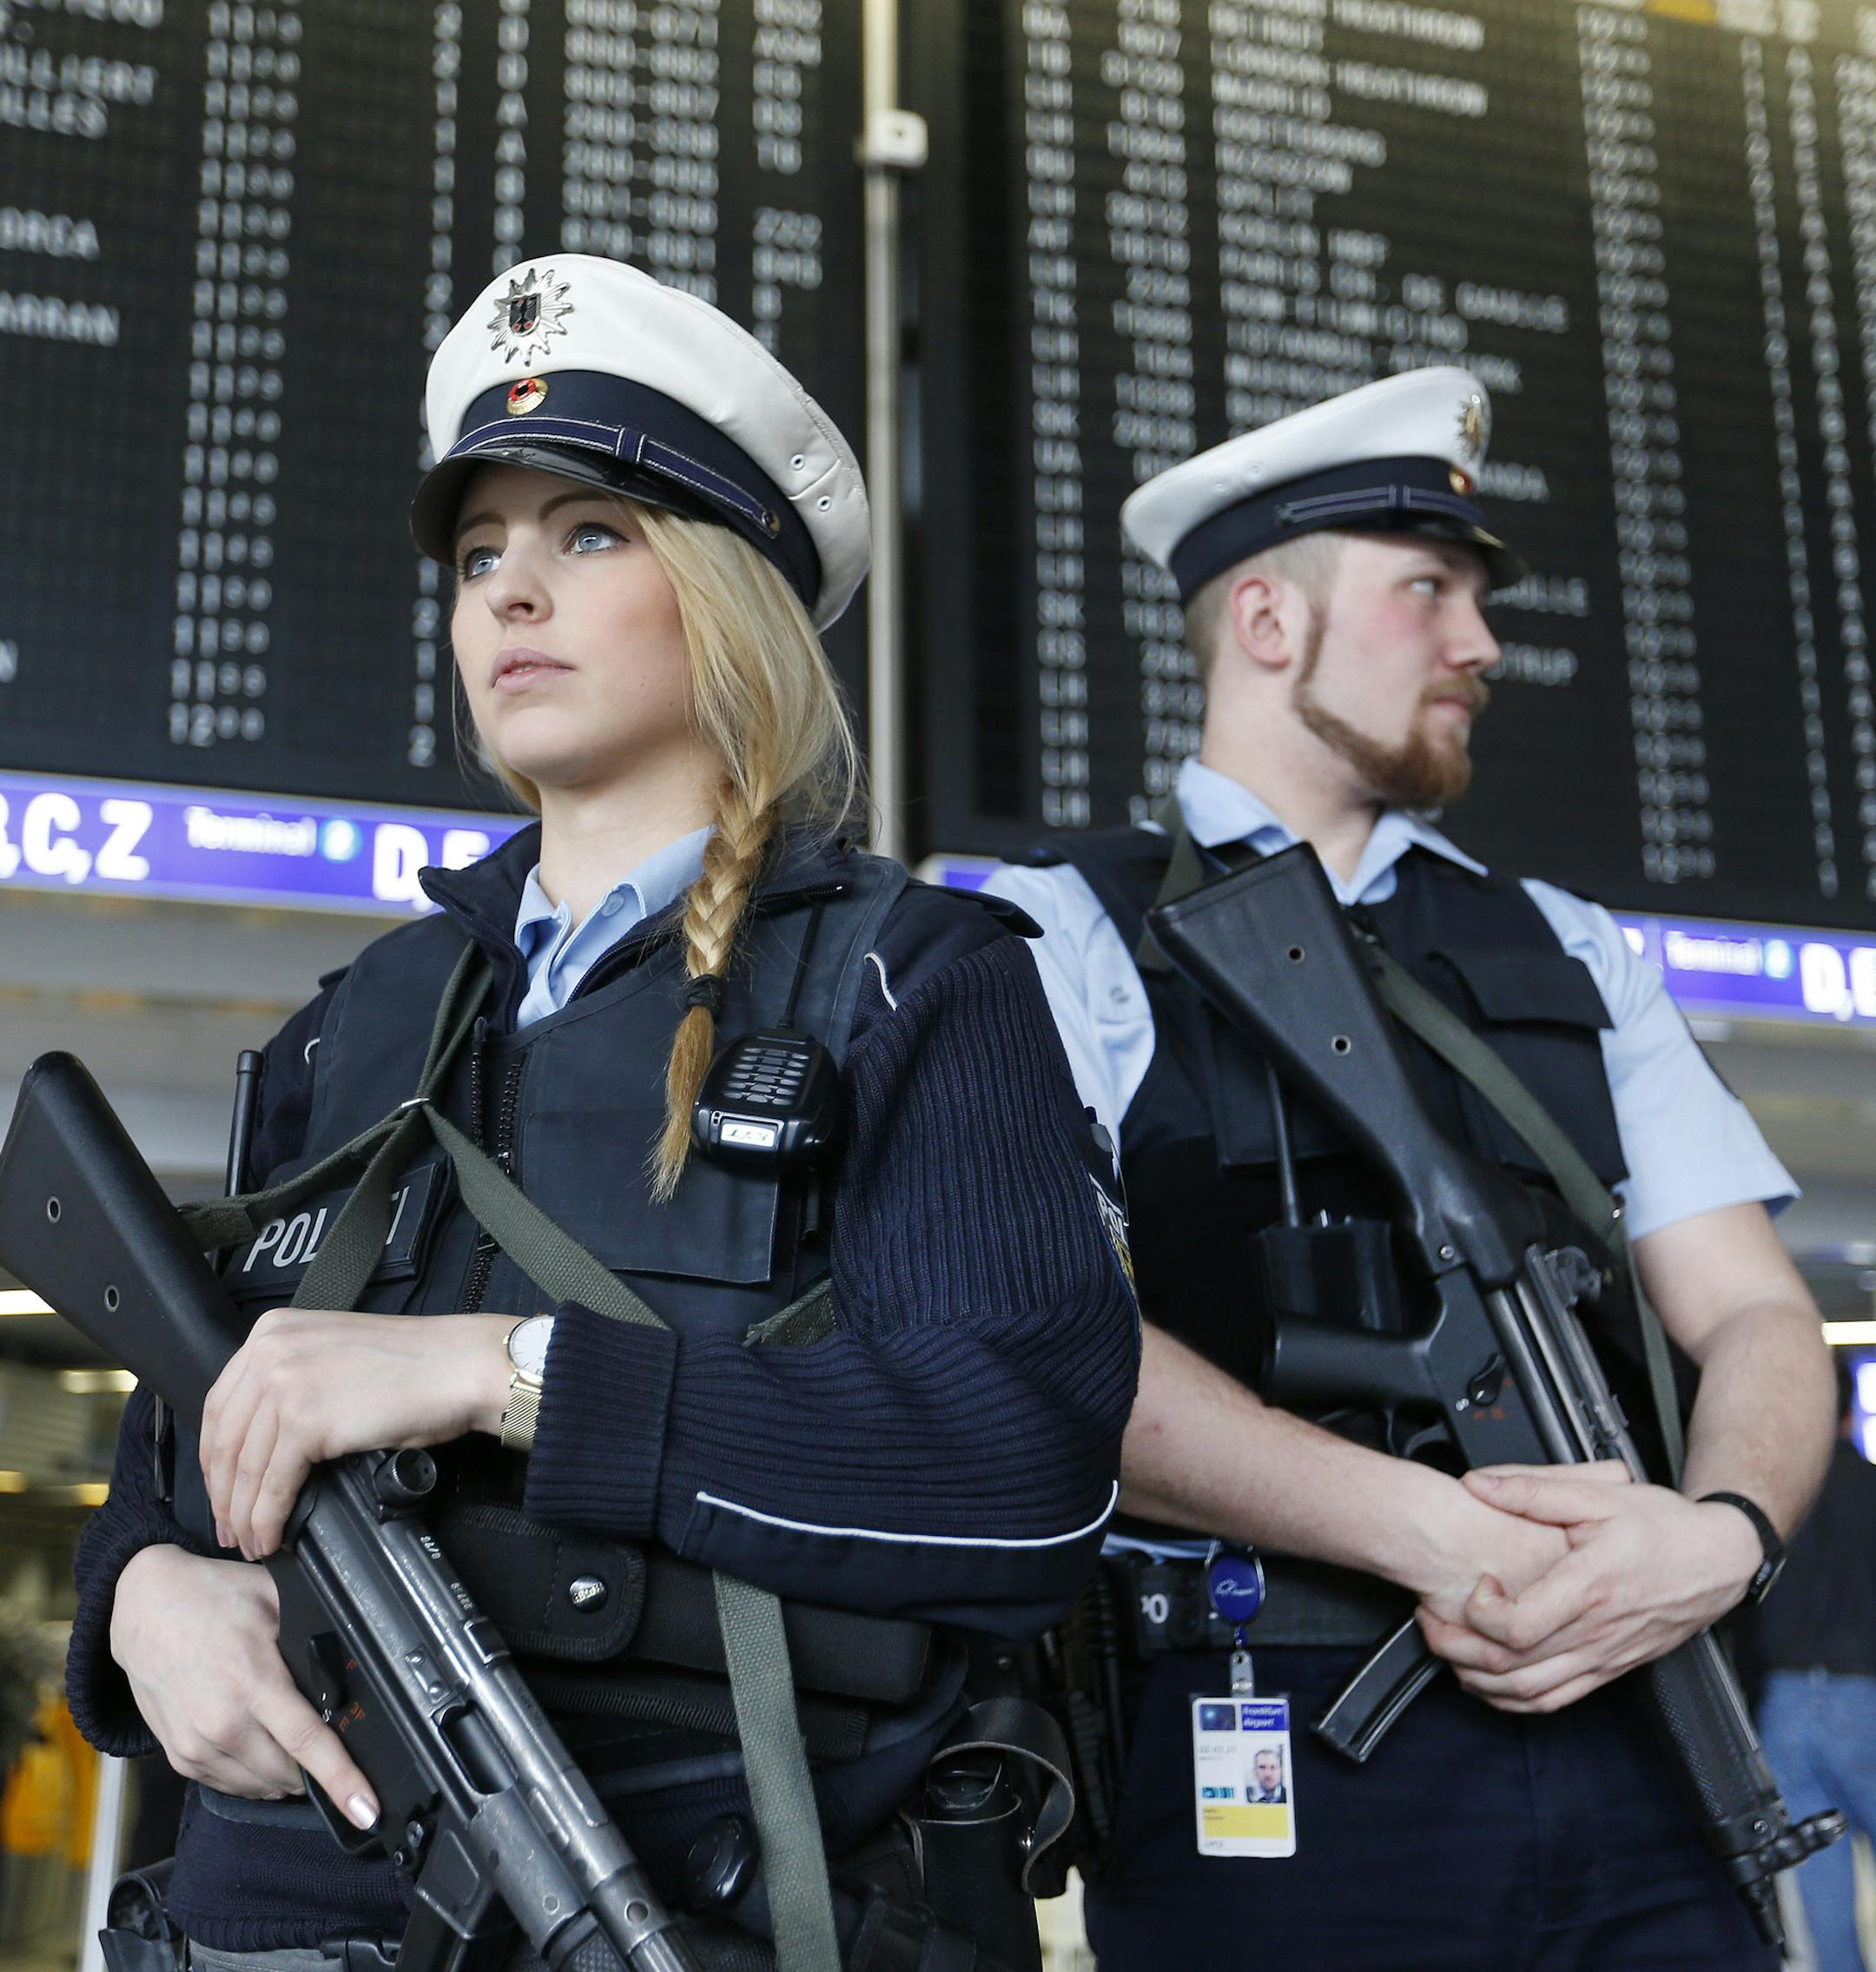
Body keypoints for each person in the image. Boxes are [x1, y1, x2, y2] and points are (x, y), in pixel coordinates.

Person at [65, 254, 1139, 1971]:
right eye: (480, 556)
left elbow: (1018, 1477)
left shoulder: (912, 979)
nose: (508, 595)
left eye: (587, 537)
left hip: (709, 1904)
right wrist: (139, 1605)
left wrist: (504, 1373)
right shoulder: (357, 1023)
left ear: (727, 595)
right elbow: (166, 1460)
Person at [986, 366, 1836, 1969]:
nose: (1482, 646)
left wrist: (1721, 1535)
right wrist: (1433, 1532)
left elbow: (1757, 1321)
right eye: (1427, 591)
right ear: (1264, 623)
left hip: (1642, 1713)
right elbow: (1047, 1341)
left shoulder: (1573, 949)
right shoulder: (1063, 931)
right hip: (1272, 1749)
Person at [1749, 1355, 1876, 1970]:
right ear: (1852, 1411)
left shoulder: (1766, 1507)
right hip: (1866, 1697)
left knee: (1819, 1884)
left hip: (1784, 1702)